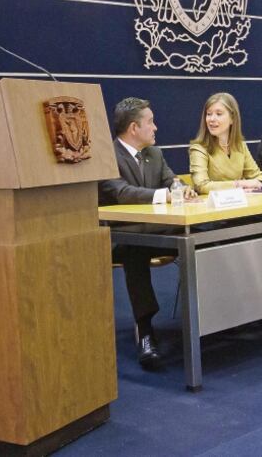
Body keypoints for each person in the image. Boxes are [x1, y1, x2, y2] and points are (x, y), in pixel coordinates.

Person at [99, 97, 196, 370]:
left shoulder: (155, 153)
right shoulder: (106, 155)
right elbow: (121, 192)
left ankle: (209, 317)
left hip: (156, 230)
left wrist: (182, 188)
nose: (155, 127)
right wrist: (165, 195)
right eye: (150, 122)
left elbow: (171, 180)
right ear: (133, 128)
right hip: (120, 237)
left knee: (199, 236)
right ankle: (145, 331)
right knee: (136, 249)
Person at [189, 92, 262, 194]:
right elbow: (201, 185)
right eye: (209, 114)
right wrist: (239, 184)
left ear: (232, 118)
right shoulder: (199, 148)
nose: (212, 119)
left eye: (219, 114)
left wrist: (253, 184)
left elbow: (259, 178)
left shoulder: (240, 145)